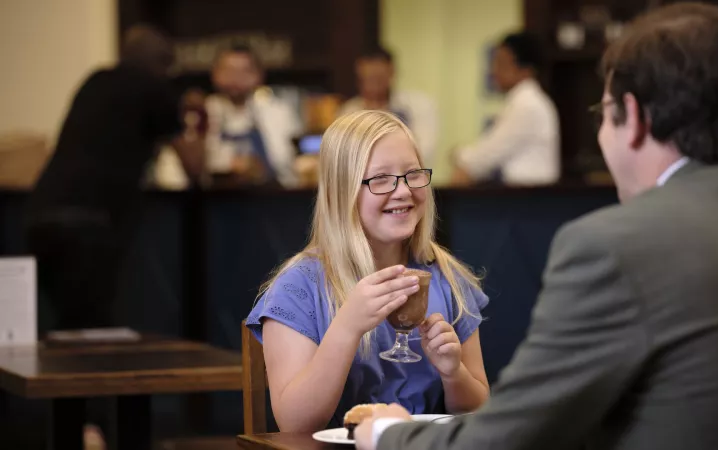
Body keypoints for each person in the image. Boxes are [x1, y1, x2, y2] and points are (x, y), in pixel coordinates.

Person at [356, 3, 718, 450]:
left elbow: (510, 439)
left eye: (601, 113)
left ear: (634, 118)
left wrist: (389, 435)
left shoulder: (616, 247)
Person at [244, 110, 489, 432]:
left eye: (413, 174)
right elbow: (294, 423)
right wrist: (346, 328)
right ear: (342, 192)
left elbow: (480, 410)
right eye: (380, 179)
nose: (402, 191)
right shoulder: (299, 287)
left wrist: (453, 372)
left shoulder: (447, 278)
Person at [26, 24, 204, 332]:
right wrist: (198, 118)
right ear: (163, 65)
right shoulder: (154, 88)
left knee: (64, 328)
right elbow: (194, 165)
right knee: (90, 332)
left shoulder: (96, 80)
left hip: (39, 215)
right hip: (90, 223)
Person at [451, 32, 559, 186]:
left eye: (501, 63)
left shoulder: (527, 103)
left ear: (526, 69)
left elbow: (486, 156)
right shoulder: (521, 100)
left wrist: (458, 154)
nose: (493, 71)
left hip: (529, 198)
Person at [204, 43, 301, 187]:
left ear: (259, 75)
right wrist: (229, 164)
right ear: (214, 73)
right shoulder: (203, 111)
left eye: (244, 71)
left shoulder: (278, 111)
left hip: (272, 198)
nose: (236, 77)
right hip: (214, 199)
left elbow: (293, 161)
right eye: (229, 70)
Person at [340, 47, 439, 162]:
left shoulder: (418, 105)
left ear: (391, 73)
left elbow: (424, 151)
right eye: (367, 79)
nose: (372, 87)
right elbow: (344, 154)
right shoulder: (348, 111)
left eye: (378, 79)